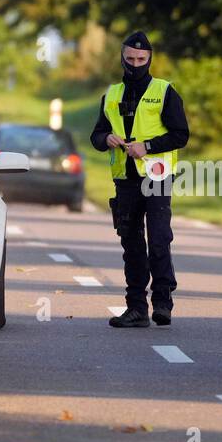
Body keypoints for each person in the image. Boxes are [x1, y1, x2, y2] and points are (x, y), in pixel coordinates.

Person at [89, 31, 189, 327]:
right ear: (122, 58)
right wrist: (106, 137)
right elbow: (96, 135)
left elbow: (180, 135)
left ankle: (162, 303)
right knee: (131, 243)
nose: (135, 64)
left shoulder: (165, 91)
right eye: (130, 59)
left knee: (159, 240)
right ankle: (136, 309)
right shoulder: (111, 95)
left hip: (156, 177)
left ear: (150, 59)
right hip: (125, 180)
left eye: (141, 59)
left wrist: (146, 146)